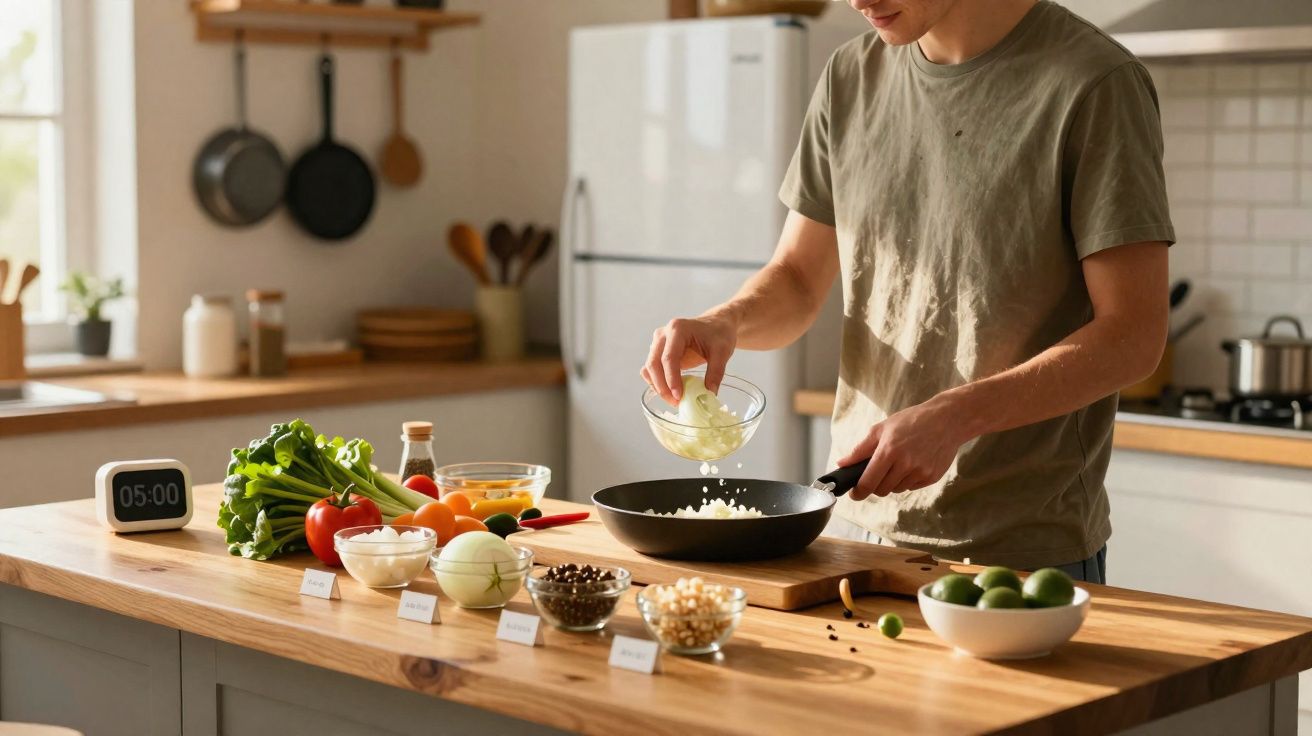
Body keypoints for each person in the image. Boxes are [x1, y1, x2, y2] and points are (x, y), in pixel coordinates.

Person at [639, 0, 1175, 583]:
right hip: (853, 530)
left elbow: (1133, 335)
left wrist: (955, 417)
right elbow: (796, 278)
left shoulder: (1094, 83)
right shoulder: (851, 77)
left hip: (1019, 553)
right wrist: (728, 322)